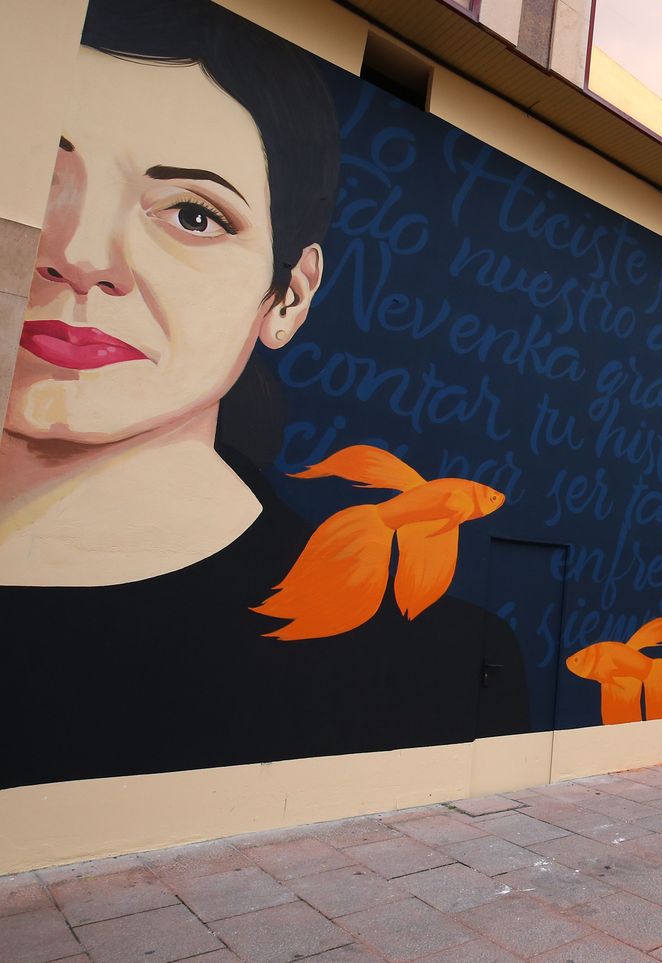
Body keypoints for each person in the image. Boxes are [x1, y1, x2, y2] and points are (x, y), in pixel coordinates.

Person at [0, 0, 526, 789]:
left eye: (190, 214)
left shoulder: (422, 655)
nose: (78, 255)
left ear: (288, 297)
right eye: (44, 172)